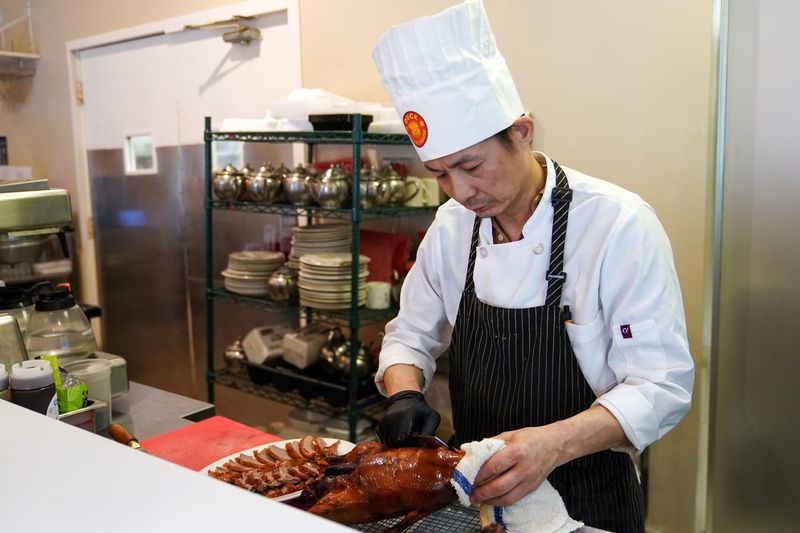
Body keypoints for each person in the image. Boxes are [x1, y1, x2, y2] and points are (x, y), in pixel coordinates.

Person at [370, 1, 695, 532]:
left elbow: (661, 385)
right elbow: (410, 334)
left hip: (588, 496)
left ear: (522, 131)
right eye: (440, 174)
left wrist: (550, 445)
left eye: (471, 166)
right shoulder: (452, 226)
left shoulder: (617, 224)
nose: (460, 191)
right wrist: (404, 390)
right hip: (478, 497)